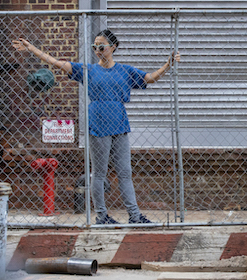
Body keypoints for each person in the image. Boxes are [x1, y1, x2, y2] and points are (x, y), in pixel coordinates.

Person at [12, 30, 180, 225]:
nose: (98, 50)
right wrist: (31, 48)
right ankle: (102, 216)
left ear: (113, 47)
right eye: (95, 47)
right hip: (98, 123)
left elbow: (149, 78)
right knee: (99, 173)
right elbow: (57, 62)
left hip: (119, 123)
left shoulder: (125, 70)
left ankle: (135, 216)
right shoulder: (89, 70)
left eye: (101, 46)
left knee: (125, 172)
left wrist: (168, 65)